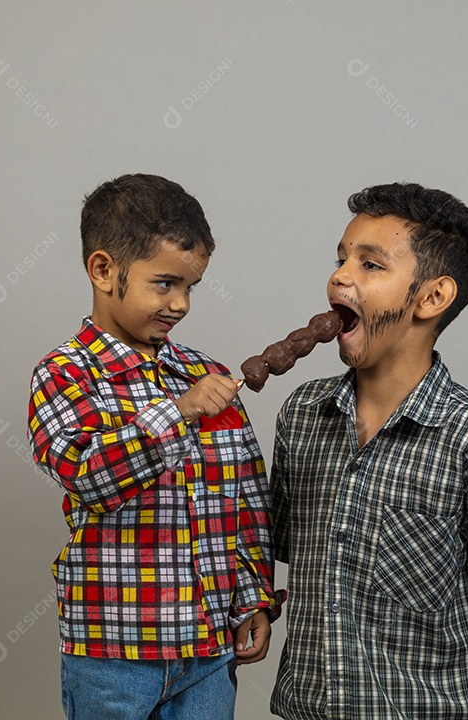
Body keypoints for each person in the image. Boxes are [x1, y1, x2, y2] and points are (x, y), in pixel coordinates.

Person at [269, 182, 468, 719]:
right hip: (314, 706)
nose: (340, 276)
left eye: (371, 265)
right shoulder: (300, 416)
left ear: (432, 297)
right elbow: (291, 549)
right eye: (341, 258)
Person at [27, 174, 280, 720]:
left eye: (191, 286)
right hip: (114, 653)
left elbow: (246, 498)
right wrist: (178, 412)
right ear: (102, 270)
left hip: (210, 650)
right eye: (164, 284)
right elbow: (87, 474)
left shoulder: (206, 374)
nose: (181, 304)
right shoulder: (66, 373)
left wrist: (254, 593)